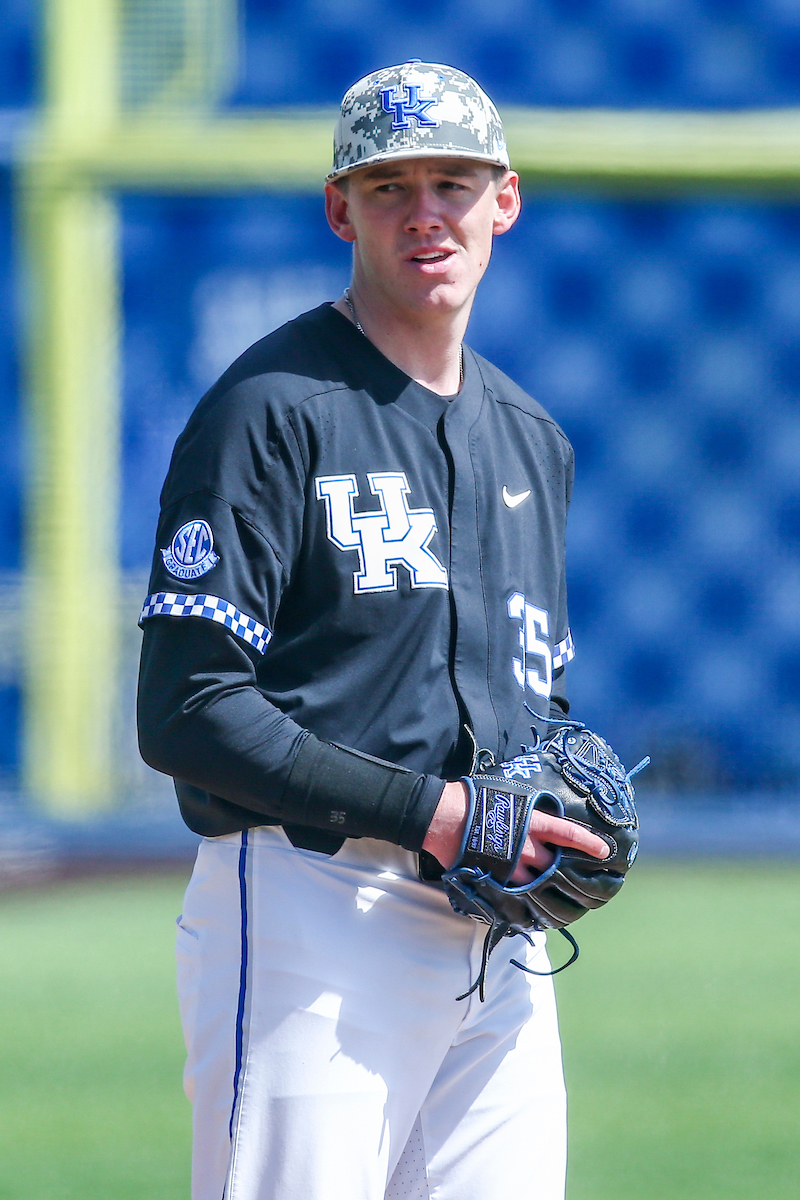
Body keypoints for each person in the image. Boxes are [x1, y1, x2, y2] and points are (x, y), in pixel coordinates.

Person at [137, 60, 610, 1200]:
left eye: (452, 180)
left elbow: (524, 703)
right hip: (310, 916)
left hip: (496, 937)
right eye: (388, 184)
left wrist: (547, 817)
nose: (423, 212)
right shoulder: (268, 410)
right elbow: (187, 710)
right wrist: (430, 811)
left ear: (503, 200)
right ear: (339, 209)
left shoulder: (530, 439)